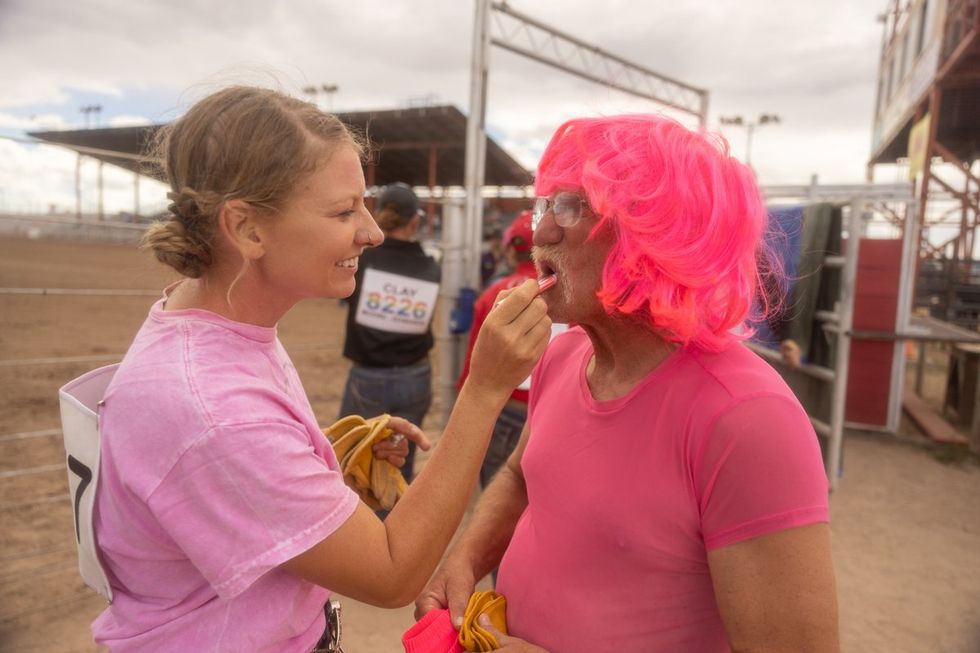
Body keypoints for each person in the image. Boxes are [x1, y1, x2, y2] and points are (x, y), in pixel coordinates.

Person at [90, 86, 552, 652]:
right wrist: (485, 388)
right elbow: (390, 573)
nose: (372, 231)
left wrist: (317, 469)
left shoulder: (220, 330)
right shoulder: (215, 409)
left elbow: (227, 481)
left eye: (365, 203)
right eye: (343, 211)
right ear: (248, 229)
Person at [415, 114, 839, 652]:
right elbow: (523, 476)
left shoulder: (749, 418)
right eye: (543, 203)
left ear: (655, 232)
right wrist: (466, 559)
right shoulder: (564, 354)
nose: (540, 233)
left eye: (570, 207)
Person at [340, 181, 441, 482]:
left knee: (353, 459)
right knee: (399, 464)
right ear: (414, 221)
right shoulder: (430, 266)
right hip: (415, 374)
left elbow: (345, 298)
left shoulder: (362, 259)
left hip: (368, 374)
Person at [458, 210, 538, 488]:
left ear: (510, 250)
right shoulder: (572, 296)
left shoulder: (494, 295)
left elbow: (474, 361)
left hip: (506, 409)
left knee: (496, 492)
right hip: (552, 411)